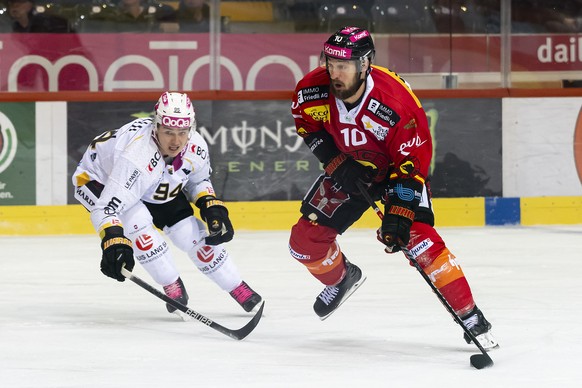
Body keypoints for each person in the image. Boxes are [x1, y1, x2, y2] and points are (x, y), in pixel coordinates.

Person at [288, 26, 498, 349]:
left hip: (396, 174)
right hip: (350, 170)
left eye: (343, 65)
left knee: (419, 240)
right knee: (303, 243)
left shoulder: (396, 103)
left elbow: (412, 163)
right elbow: (306, 124)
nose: (334, 72)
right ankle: (343, 278)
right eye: (330, 63)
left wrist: (398, 213)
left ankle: (470, 315)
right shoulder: (312, 91)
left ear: (365, 64)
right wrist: (334, 161)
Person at [72, 92, 263, 315]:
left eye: (182, 132)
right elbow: (106, 208)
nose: (176, 141)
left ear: (190, 128)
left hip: (150, 178)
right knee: (140, 228)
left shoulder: (196, 145)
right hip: (99, 180)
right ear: (156, 126)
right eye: (168, 132)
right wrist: (113, 240)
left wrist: (211, 205)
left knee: (192, 235)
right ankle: (171, 285)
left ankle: (237, 286)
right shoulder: (136, 157)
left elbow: (198, 180)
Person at [6, 0, 74, 32]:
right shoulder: (9, 27)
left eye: (20, 2)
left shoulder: (52, 24)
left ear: (30, 5)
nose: (15, 6)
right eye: (12, 3)